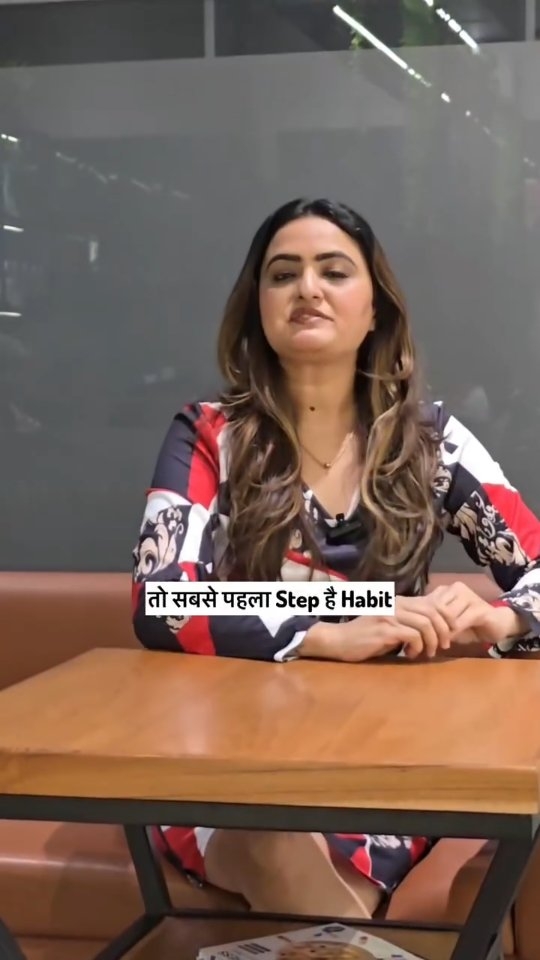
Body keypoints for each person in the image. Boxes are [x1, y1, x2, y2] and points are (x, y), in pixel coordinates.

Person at [132, 198, 540, 919]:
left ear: (374, 309)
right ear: (257, 306)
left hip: (387, 751)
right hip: (233, 743)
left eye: (334, 271)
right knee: (271, 839)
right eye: (282, 274)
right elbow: (160, 601)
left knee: (308, 885)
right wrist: (330, 630)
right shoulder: (210, 434)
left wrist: (499, 619)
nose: (308, 289)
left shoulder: (430, 442)